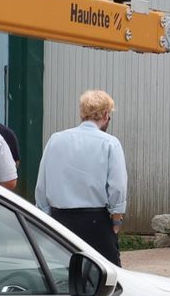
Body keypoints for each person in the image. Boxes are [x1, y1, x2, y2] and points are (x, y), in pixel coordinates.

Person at [34, 90, 127, 267]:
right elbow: (118, 186)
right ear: (106, 115)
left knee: (63, 275)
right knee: (107, 277)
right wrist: (116, 219)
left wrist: (46, 216)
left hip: (60, 218)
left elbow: (42, 184)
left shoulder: (56, 140)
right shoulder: (110, 143)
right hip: (95, 221)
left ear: (82, 113)